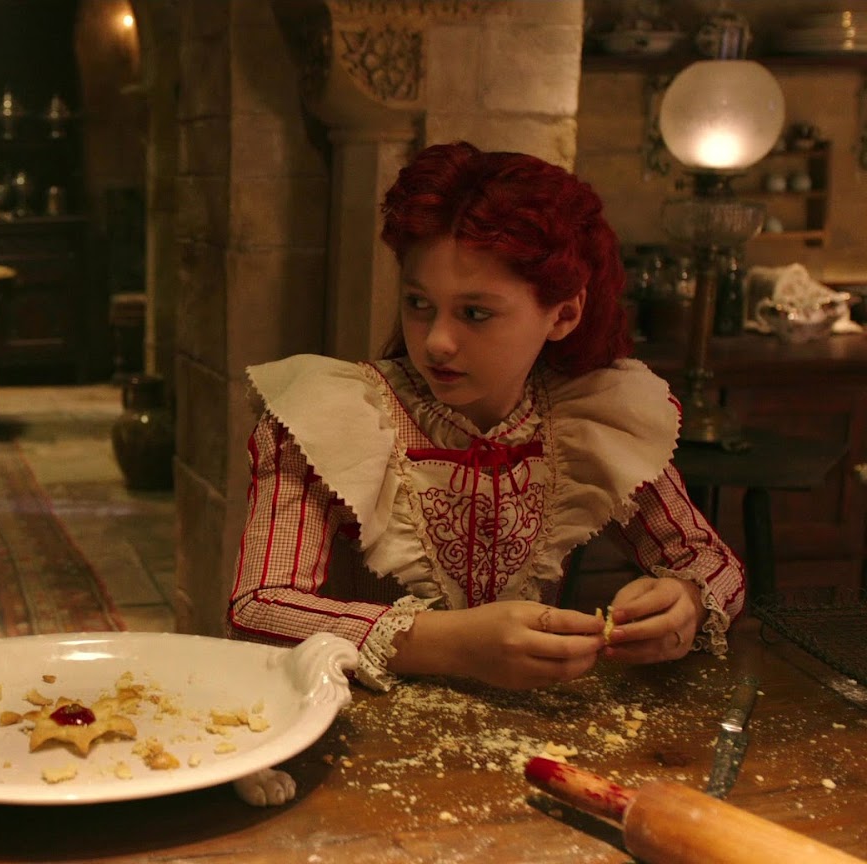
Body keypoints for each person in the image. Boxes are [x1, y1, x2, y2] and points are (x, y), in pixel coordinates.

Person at [229, 141, 745, 693]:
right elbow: (258, 609)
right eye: (419, 304)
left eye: (475, 312)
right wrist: (448, 643)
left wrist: (686, 600)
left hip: (536, 722)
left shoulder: (591, 417)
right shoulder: (332, 418)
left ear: (564, 314)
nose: (437, 341)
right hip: (364, 717)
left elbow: (709, 560)